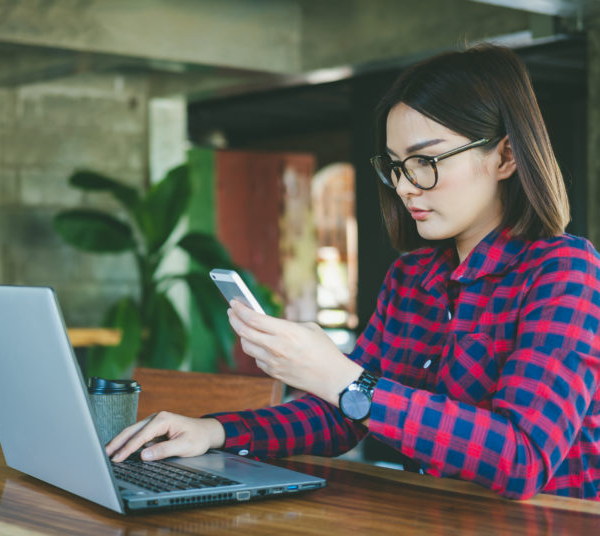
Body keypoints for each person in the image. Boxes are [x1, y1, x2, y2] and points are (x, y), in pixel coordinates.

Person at [106, 44, 600, 501]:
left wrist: (347, 380)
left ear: (506, 156)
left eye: (425, 160)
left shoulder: (563, 271)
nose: (406, 187)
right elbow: (344, 419)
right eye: (396, 166)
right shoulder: (412, 279)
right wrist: (216, 431)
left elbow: (523, 459)